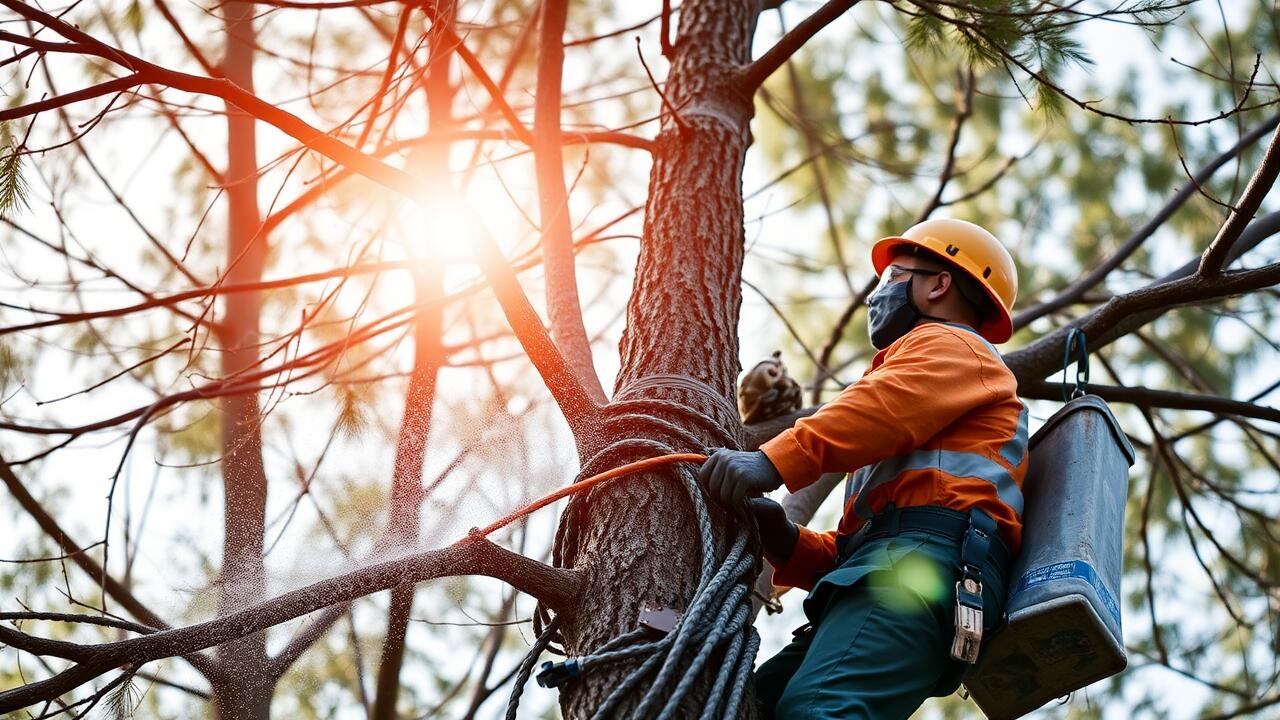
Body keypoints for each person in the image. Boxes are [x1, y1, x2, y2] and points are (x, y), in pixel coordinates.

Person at [698, 218, 1030, 719]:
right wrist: (788, 542)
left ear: (938, 285)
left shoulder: (954, 346)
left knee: (817, 712)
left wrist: (772, 461)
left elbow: (881, 407)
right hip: (894, 570)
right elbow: (863, 542)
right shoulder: (924, 426)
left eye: (892, 277)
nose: (877, 296)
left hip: (919, 570)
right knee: (744, 707)